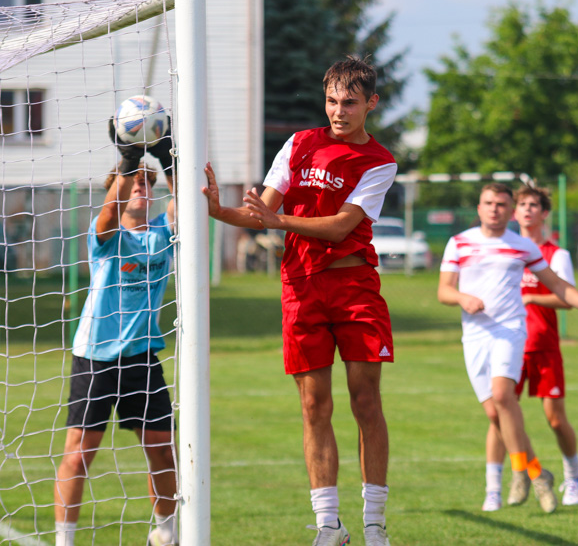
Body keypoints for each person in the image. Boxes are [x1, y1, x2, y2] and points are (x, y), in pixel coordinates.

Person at [203, 56, 395, 546]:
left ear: (370, 103)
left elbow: (339, 227)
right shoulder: (300, 144)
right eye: (331, 100)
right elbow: (262, 211)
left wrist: (279, 222)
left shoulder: (380, 161)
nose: (338, 111)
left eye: (349, 102)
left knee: (365, 401)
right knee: (314, 406)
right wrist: (219, 211)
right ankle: (329, 525)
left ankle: (375, 525)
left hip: (353, 290)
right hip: (300, 289)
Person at [438, 183, 578, 514]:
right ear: (479, 208)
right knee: (494, 413)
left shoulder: (521, 246)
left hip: (511, 331)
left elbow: (558, 285)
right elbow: (444, 291)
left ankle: (519, 473)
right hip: (474, 336)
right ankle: (537, 473)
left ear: (507, 210)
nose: (495, 209)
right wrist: (462, 298)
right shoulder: (459, 242)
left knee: (503, 397)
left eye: (501, 204)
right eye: (489, 203)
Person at [55, 121, 178, 546]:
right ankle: (64, 540)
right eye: (134, 183)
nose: (142, 188)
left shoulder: (163, 233)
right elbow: (108, 215)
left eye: (148, 183)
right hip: (96, 357)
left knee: (164, 451)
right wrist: (129, 162)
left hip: (142, 357)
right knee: (79, 455)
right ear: (120, 190)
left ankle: (166, 534)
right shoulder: (106, 235)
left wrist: (166, 158)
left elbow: (184, 208)